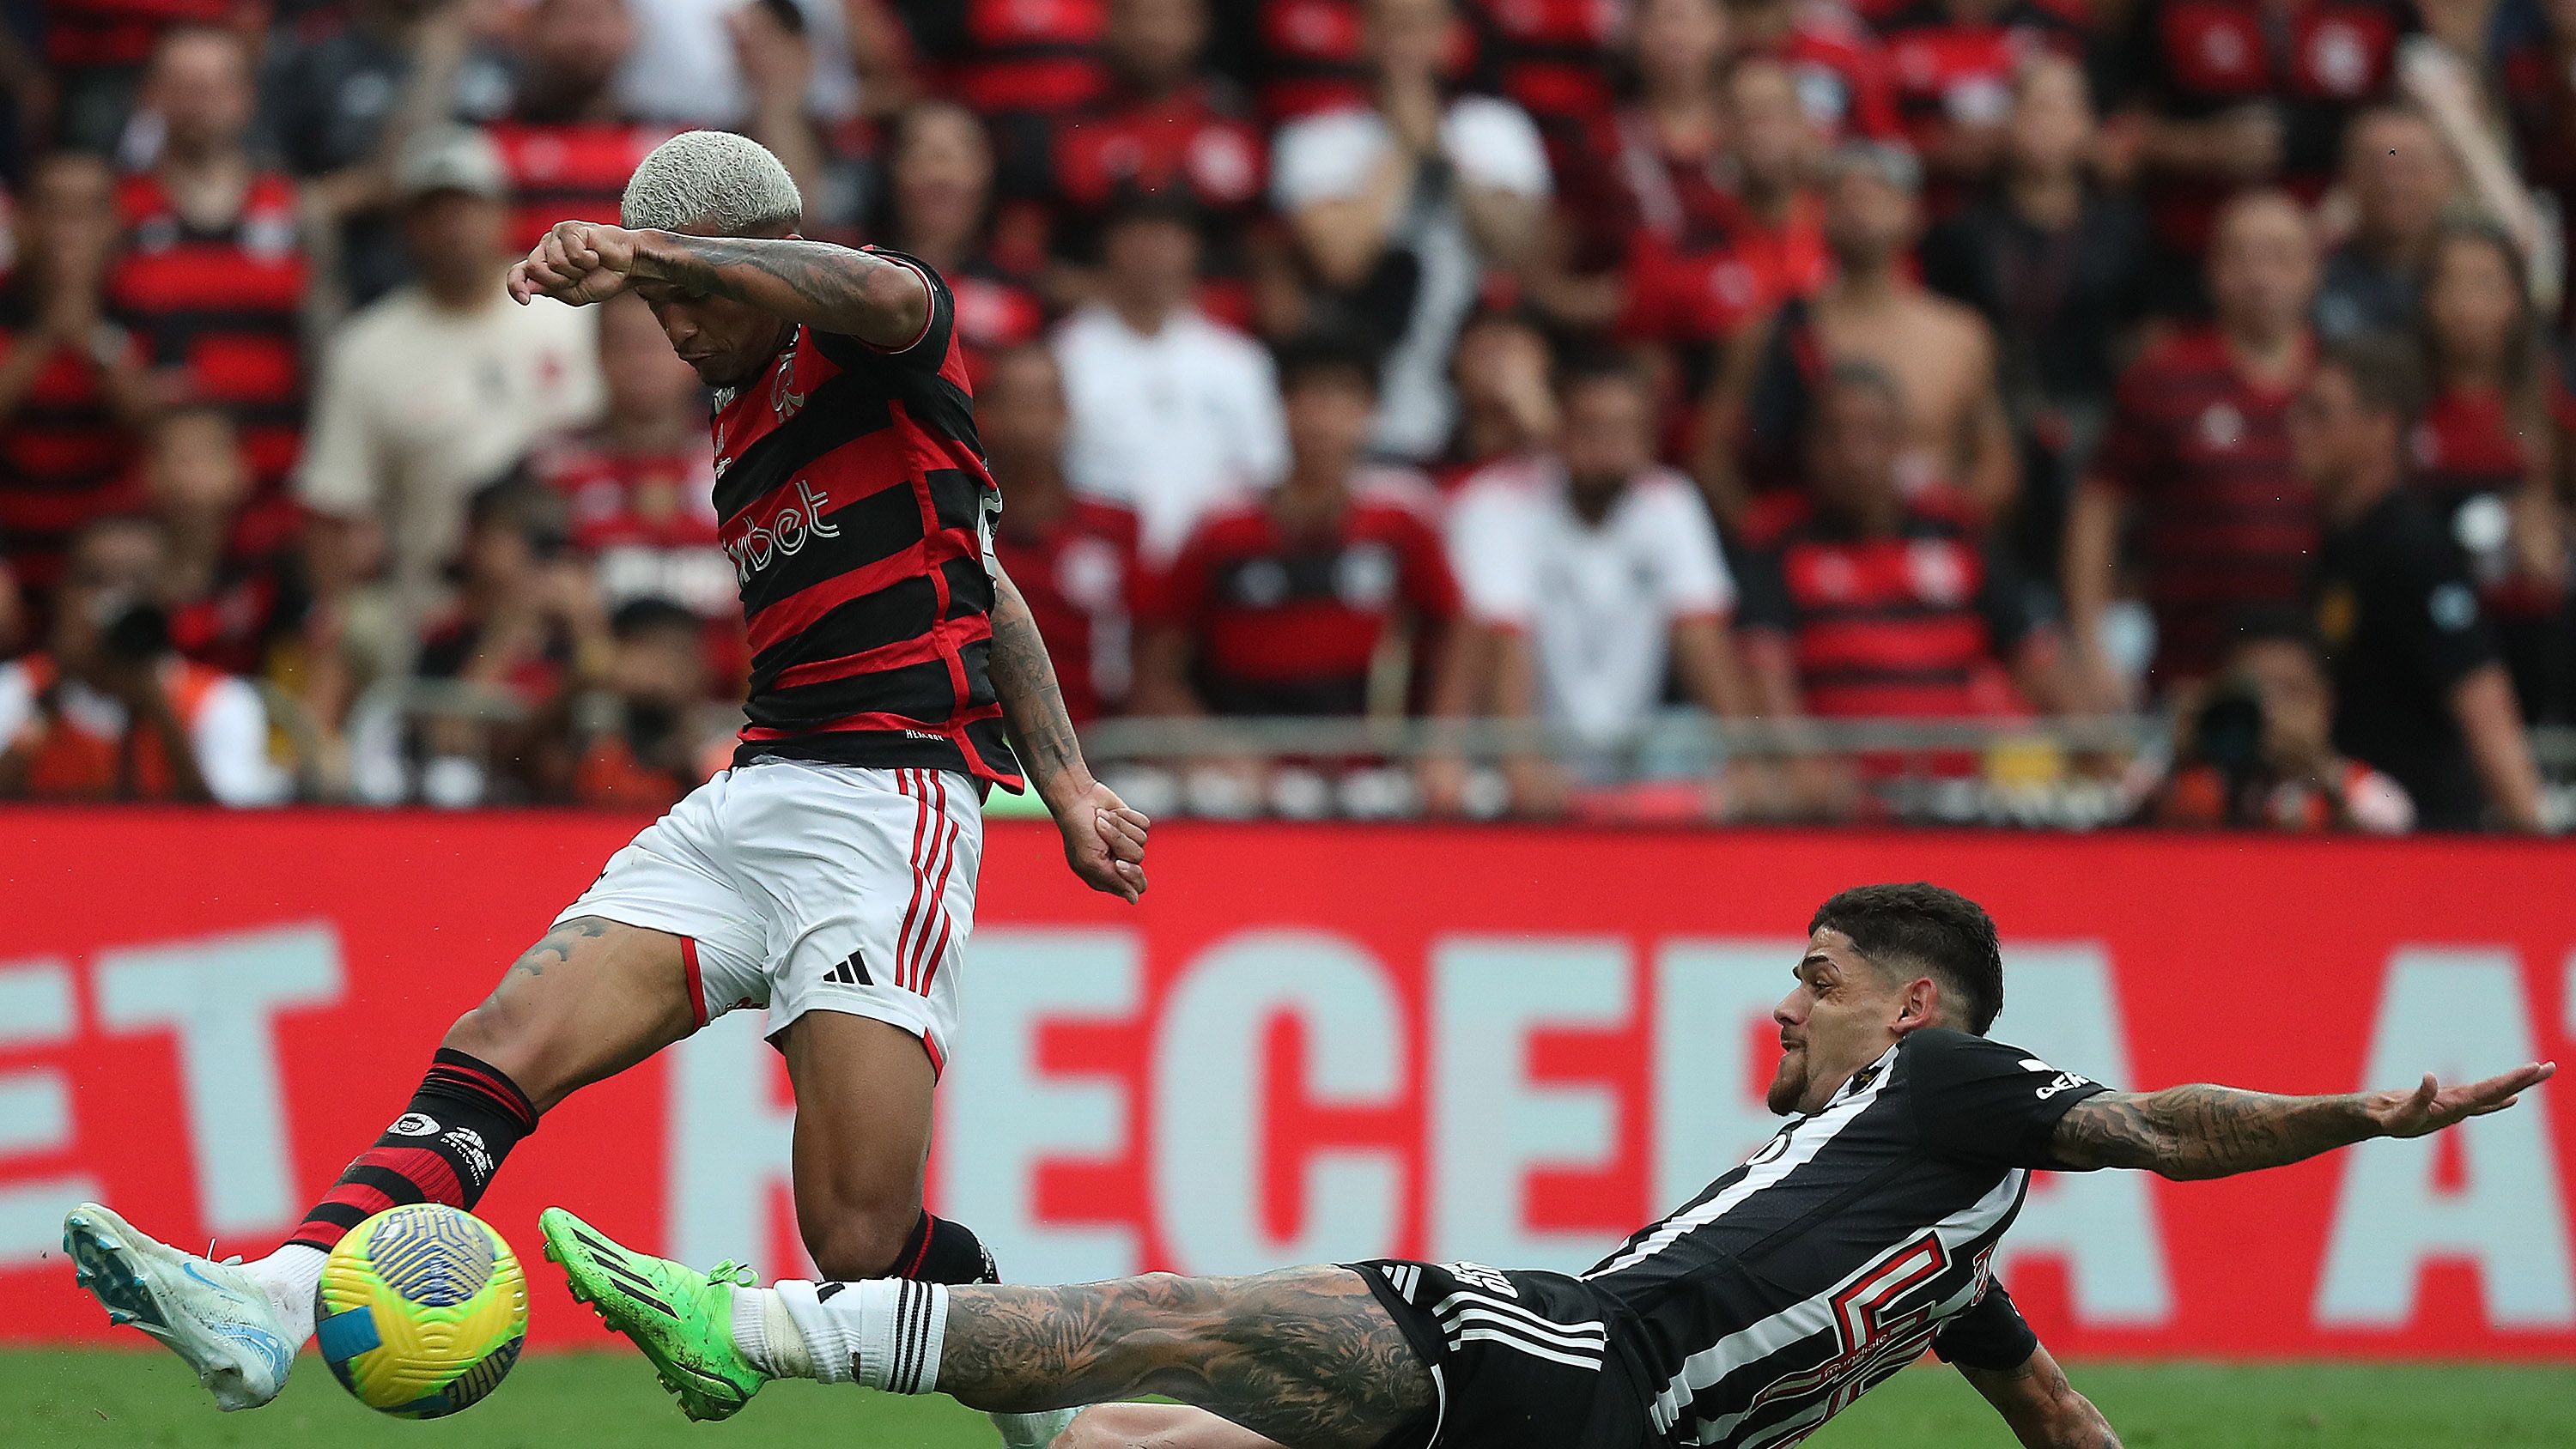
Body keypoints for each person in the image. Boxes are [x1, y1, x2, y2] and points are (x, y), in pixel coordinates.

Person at [63, 134, 1146, 1449]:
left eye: (688, 297)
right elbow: (982, 575)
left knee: (858, 1237)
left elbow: (889, 299)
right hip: (754, 790)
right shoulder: (738, 405)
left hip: (888, 805)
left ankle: (1056, 1416)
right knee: (502, 1037)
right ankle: (273, 1304)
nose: (674, 329)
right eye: (655, 305)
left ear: (758, 252)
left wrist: (1061, 785)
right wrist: (1071, 781)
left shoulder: (878, 328)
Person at [543, 882, 2555, 1449]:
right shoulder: (1949, 1253)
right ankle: (954, 1329)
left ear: (1916, 1009)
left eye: (1818, 973)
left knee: (1183, 1318)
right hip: (1615, 1429)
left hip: (1573, 1353)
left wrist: (2347, 1119)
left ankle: (762, 1328)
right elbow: (2061, 1420)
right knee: (1139, 1432)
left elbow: (2152, 1129)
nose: (1786, 996)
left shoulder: (1960, 1090)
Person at [295, 126, 605, 721]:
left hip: (572, 603)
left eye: (467, 207)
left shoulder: (570, 320)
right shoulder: (366, 350)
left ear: (502, 214)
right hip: (436, 614)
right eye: (433, 212)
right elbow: (332, 507)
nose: (453, 226)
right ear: (406, 229)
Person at [1449, 357, 1749, 815]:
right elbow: (1501, 637)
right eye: (1592, 428)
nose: (1609, 447)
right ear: (1559, 432)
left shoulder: (1670, 500)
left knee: (1695, 745)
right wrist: (1522, 762)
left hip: (1636, 755)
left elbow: (1701, 636)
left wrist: (1745, 758)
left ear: (1649, 440)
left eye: (1625, 430)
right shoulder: (1498, 499)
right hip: (1521, 753)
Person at [2065, 190, 2319, 706]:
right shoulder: (2163, 376)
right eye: (2241, 256)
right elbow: (2098, 510)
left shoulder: (2341, 381)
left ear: (2313, 270)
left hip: (2320, 673)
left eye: (2280, 256)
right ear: (2211, 271)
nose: (2260, 275)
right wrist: (2092, 647)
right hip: (2190, 675)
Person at [1270, 0, 1552, 461]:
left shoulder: (1497, 128)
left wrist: (1436, 150)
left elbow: (1514, 246)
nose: (1406, 44)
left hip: (1469, 402)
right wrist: (1402, 149)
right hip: (1363, 407)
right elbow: (1340, 261)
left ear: (1453, 39)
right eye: (1392, 27)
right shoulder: (1318, 138)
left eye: (1421, 27)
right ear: (1363, 36)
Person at [1134, 331, 1465, 722]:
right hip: (1242, 749)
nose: (1322, 422)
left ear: (1371, 412)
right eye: (1308, 399)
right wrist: (1205, 743)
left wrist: (1438, 739)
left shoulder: (1402, 519)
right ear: (1280, 409)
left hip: (1368, 754)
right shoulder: (1221, 526)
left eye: (1341, 401)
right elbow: (1157, 663)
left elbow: (1456, 631)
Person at [2291, 335, 2546, 831]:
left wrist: (2534, 840)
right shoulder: (2336, 548)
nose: (2297, 429)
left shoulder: (2412, 547)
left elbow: (2482, 697)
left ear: (2381, 429)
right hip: (2359, 830)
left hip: (2428, 840)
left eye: (2320, 414)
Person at [1735, 363, 2067, 726]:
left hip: (1965, 760)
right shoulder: (1778, 539)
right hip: (1840, 762)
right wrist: (1807, 759)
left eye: (1871, 434)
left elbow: (2038, 659)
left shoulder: (1955, 531)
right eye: (1833, 435)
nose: (1853, 454)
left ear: (1901, 445)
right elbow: (1768, 683)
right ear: (1808, 446)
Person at [1705, 140, 2014, 526]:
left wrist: (1952, 533)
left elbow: (1996, 461)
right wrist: (1764, 539)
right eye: (1842, 197)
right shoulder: (1772, 330)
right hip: (1809, 546)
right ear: (1819, 217)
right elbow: (1711, 454)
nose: (1859, 207)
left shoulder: (1961, 335)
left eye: (1878, 194)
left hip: (1928, 547)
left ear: (1915, 216)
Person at [1919, 55, 2149, 572]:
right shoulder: (1963, 232)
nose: (2045, 123)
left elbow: (2139, 339)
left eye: (2062, 108)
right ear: (2008, 122)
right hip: (1992, 420)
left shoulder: (2122, 230)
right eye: (2033, 107)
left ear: (2087, 127)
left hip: (2092, 418)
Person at [107, 27, 311, 510]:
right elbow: (98, 334)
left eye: (216, 86)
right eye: (183, 86)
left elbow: (324, 345)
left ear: (246, 98)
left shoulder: (296, 210)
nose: (200, 101)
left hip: (281, 488)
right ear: (151, 96)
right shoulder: (116, 214)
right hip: (156, 490)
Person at [1053, 190, 1288, 559]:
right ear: (1109, 242)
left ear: (1193, 246)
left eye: (1167, 234)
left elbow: (1265, 476)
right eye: (1138, 232)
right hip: (1097, 560)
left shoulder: (1240, 360)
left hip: (1212, 567)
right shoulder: (1063, 354)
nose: (1152, 249)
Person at [0, 513, 289, 805]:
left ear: (168, 597)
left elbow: (235, 824)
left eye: (138, 581)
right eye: (94, 580)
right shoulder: (17, 689)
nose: (114, 600)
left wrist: (160, 711)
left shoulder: (218, 702)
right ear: (62, 592)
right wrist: (52, 694)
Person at [2409, 221, 2573, 724]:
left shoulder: (2551, 408)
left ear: (2516, 301)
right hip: (2425, 638)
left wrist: (2558, 533)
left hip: (2530, 640)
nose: (2465, 305)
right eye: (2449, 284)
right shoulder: (2400, 405)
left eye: (2484, 285)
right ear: (2426, 298)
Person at [0, 151, 157, 596]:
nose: (67, 230)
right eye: (52, 209)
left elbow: (153, 425)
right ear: (23, 221)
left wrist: (90, 334)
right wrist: (46, 333)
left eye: (86, 212)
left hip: (115, 546)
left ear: (114, 224)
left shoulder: (144, 302)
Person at [982, 345, 1143, 726]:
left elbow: (1146, 658)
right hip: (987, 740)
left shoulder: (1116, 527)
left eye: (1046, 402)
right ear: (985, 416)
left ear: (1068, 412)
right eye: (1019, 403)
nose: (1033, 421)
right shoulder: (958, 528)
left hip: (1099, 739)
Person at [2146, 609, 2415, 833]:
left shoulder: (2359, 786)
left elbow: (2393, 824)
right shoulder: (2191, 781)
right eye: (2253, 693)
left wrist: (2322, 775)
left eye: (2289, 692)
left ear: (2325, 702)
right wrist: (2175, 753)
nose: (2270, 712)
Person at [2312, 106, 2458, 341]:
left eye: (2412, 167)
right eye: (2376, 166)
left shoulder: (2487, 278)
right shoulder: (2313, 280)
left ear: (2448, 176)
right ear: (2347, 176)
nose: (2394, 183)